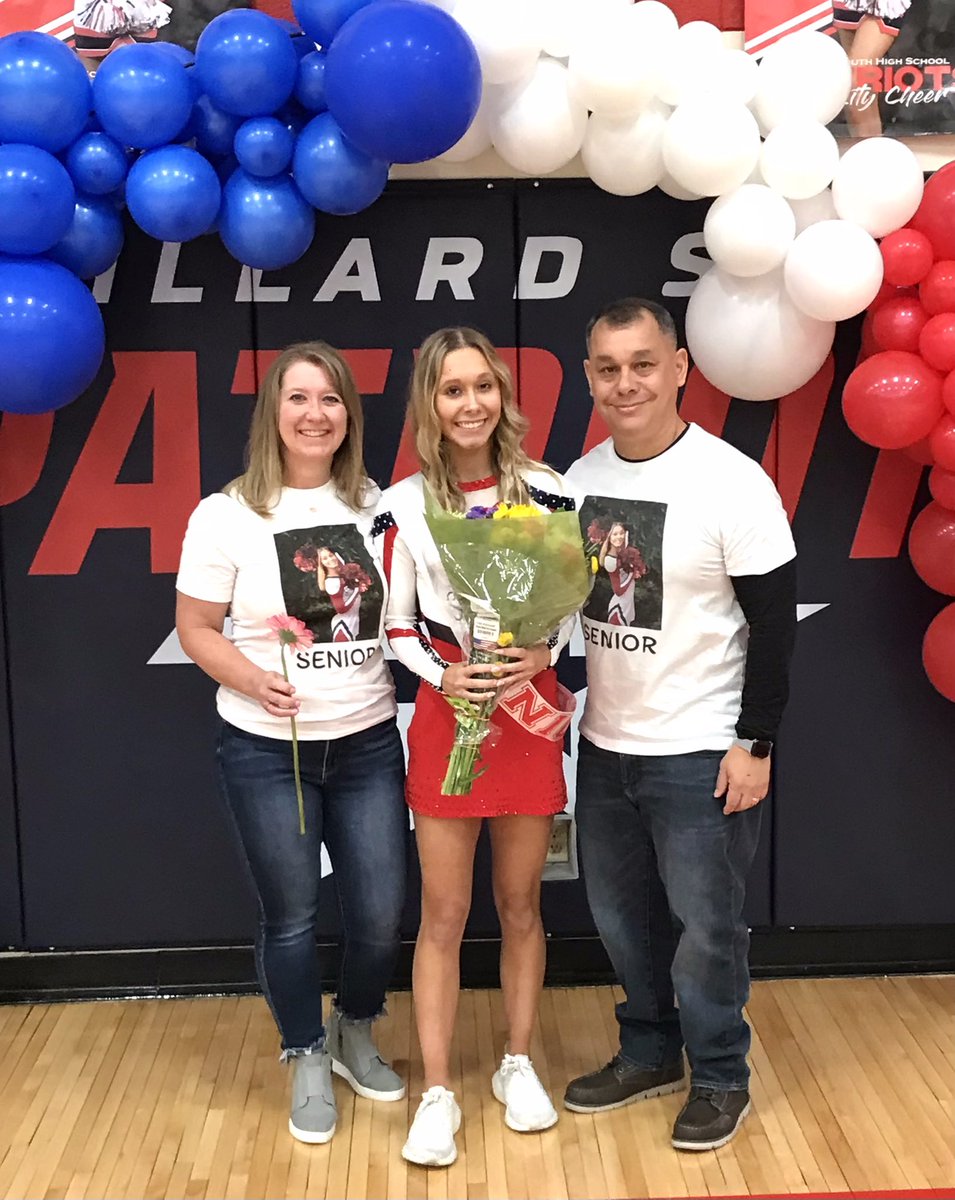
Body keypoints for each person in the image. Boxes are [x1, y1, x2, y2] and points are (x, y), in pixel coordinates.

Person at [563, 299, 797, 1152]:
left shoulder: (732, 481)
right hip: (606, 745)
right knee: (624, 922)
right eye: (607, 368)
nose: (625, 382)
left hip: (701, 751)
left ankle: (721, 1075)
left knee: (706, 931)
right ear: (589, 376)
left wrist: (755, 742)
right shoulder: (580, 481)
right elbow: (560, 613)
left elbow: (775, 623)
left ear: (678, 369)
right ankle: (648, 1052)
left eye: (641, 364)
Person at [176, 342, 408, 1147]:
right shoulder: (226, 513)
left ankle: (353, 1027)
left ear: (349, 416)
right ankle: (304, 1051)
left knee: (379, 915)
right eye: (299, 398)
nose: (316, 414)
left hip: (368, 742)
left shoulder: (378, 507)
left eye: (331, 400)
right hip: (266, 749)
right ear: (272, 413)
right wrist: (247, 678)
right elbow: (196, 627)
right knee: (293, 916)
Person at [374, 327, 576, 1167]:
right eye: (451, 390)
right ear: (430, 404)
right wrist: (445, 673)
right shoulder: (402, 503)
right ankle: (436, 1092)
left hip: (524, 709)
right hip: (448, 711)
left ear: (502, 396)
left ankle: (516, 1063)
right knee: (444, 916)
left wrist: (542, 652)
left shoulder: (549, 491)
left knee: (522, 905)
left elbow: (566, 607)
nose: (469, 404)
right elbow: (394, 623)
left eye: (482, 387)